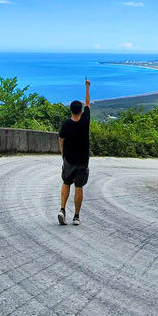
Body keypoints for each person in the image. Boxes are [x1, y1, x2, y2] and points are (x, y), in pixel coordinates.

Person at [57, 77, 91, 226]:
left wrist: (62, 152)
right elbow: (88, 103)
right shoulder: (85, 121)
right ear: (80, 111)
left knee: (66, 182)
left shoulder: (66, 124)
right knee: (79, 187)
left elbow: (61, 139)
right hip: (82, 160)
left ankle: (62, 209)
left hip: (69, 159)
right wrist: (87, 87)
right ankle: (76, 217)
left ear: (71, 110)